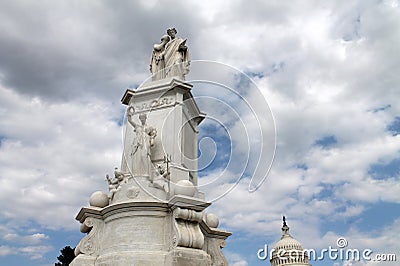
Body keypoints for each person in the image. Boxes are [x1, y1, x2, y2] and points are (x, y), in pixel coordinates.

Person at [127, 106, 157, 177]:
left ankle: (146, 173)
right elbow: (130, 121)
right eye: (141, 118)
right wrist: (129, 114)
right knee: (137, 157)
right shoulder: (137, 127)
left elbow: (153, 134)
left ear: (145, 118)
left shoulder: (149, 128)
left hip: (145, 142)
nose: (142, 119)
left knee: (144, 156)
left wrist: (152, 140)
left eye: (143, 118)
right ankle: (136, 173)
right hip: (137, 144)